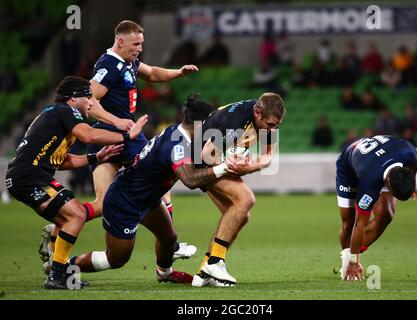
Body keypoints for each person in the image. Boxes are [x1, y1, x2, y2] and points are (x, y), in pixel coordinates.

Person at [39, 20, 198, 268]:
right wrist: (119, 122)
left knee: (103, 203)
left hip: (118, 137)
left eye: (141, 44)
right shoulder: (109, 65)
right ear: (120, 41)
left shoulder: (129, 61)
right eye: (136, 44)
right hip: (119, 136)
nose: (139, 49)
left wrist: (178, 73)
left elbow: (153, 73)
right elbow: (89, 100)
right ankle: (172, 245)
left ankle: (58, 229)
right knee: (162, 166)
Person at [71, 96, 249, 284]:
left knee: (169, 238)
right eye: (211, 123)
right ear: (201, 124)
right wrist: (225, 167)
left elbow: (200, 165)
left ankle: (164, 273)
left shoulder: (181, 136)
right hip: (125, 202)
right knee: (115, 259)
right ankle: (64, 265)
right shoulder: (178, 143)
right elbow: (190, 180)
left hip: (148, 198)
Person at [5, 76, 148, 289]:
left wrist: (96, 157)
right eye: (88, 97)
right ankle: (57, 275)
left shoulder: (56, 116)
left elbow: (62, 161)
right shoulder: (66, 111)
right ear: (73, 99)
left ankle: (58, 271)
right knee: (78, 214)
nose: (92, 102)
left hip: (29, 177)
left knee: (67, 220)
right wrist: (128, 136)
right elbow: (89, 135)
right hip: (30, 177)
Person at [191, 92, 286, 287]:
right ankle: (216, 262)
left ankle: (204, 272)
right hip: (202, 165)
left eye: (277, 126)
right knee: (246, 199)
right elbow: (206, 154)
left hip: (216, 160)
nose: (273, 130)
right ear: (257, 113)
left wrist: (250, 167)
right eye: (270, 125)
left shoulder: (266, 118)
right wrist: (229, 165)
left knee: (240, 214)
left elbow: (268, 157)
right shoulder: (235, 122)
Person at [336, 135, 417, 281]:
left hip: (379, 160)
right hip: (349, 167)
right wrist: (355, 261)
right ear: (388, 183)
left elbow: (413, 166)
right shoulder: (370, 183)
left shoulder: (410, 152)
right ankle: (348, 258)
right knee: (349, 223)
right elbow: (359, 222)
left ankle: (352, 254)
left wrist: (412, 183)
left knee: (386, 214)